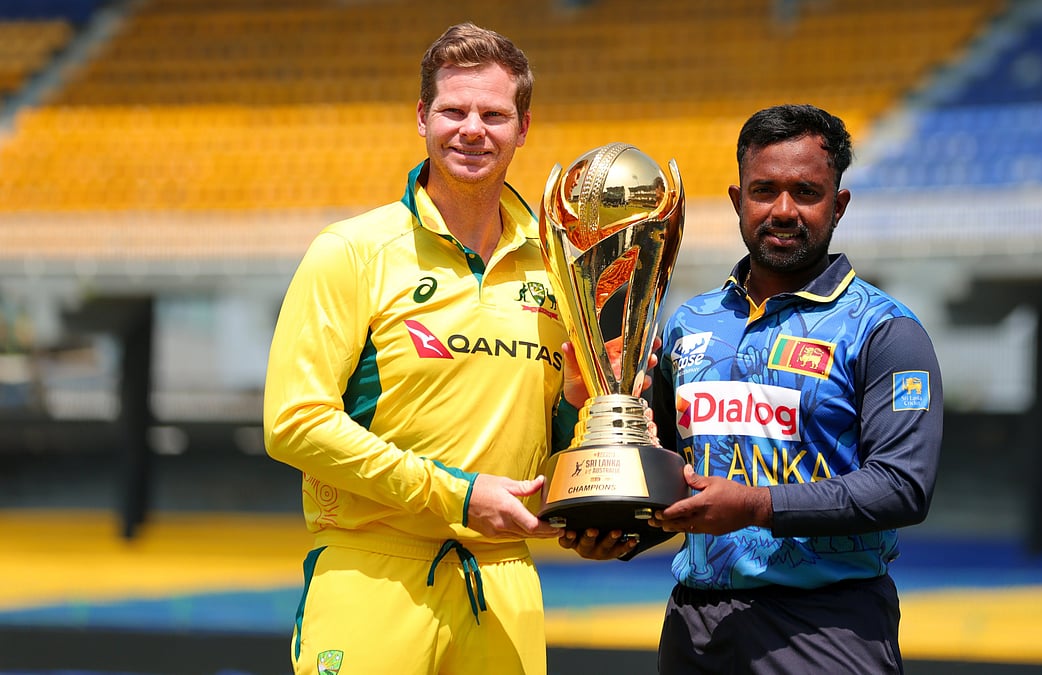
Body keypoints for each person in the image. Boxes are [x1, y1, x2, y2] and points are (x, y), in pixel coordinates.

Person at [262, 22, 591, 675]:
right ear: (421, 117)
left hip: (506, 580)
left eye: (495, 114)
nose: (473, 128)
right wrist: (458, 496)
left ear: (523, 127)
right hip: (374, 572)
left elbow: (567, 425)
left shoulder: (563, 268)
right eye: (454, 110)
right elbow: (293, 423)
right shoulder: (352, 251)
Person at [647, 103, 943, 673]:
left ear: (839, 204)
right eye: (764, 190)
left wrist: (755, 506)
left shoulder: (885, 331)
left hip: (825, 628)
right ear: (738, 201)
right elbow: (660, 466)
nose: (783, 210)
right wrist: (606, 524)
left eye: (806, 192)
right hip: (694, 626)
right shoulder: (689, 322)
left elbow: (903, 487)